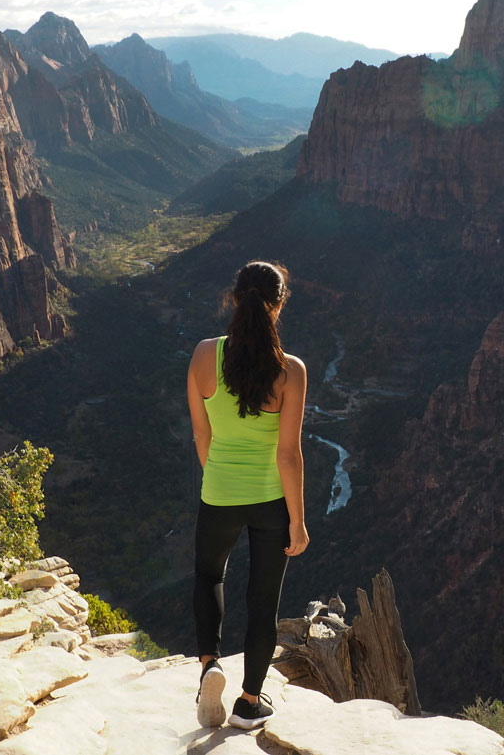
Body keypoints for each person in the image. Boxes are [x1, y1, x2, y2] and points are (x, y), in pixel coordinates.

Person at [187, 259, 309, 730]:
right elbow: (289, 456)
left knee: (208, 576)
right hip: (270, 502)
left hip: (218, 492)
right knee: (263, 601)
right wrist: (297, 521)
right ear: (278, 307)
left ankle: (209, 664)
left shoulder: (202, 355)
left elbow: (202, 435)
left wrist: (218, 477)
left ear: (235, 299)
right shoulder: (290, 372)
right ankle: (249, 702)